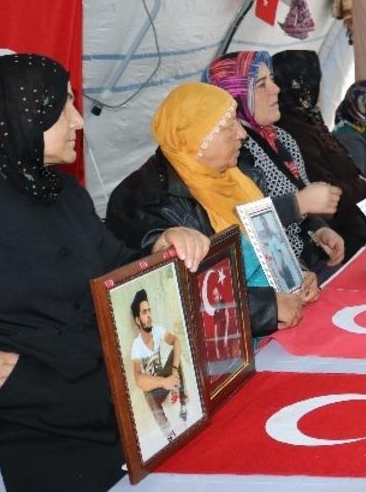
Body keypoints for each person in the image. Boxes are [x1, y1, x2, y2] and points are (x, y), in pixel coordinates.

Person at [0, 54, 209, 492]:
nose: (78, 121)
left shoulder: (61, 194)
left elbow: (113, 268)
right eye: (63, 107)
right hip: (15, 417)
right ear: (22, 111)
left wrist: (159, 246)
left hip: (92, 393)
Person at [107, 82, 315, 336]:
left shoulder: (239, 177)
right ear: (197, 137)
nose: (242, 134)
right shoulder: (143, 200)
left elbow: (268, 244)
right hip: (219, 350)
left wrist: (296, 274)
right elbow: (172, 296)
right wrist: (267, 309)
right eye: (229, 125)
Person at [206, 52, 346, 275]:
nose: (276, 88)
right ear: (234, 95)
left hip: (305, 263)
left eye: (272, 79)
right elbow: (236, 221)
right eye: (262, 84)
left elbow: (303, 200)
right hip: (275, 276)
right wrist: (299, 203)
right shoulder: (230, 151)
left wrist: (319, 229)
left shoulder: (281, 138)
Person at [272, 50, 366, 257]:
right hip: (336, 239)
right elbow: (321, 190)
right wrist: (363, 187)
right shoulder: (290, 130)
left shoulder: (309, 118)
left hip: (349, 229)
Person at [129, 289, 187, 444]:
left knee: (177, 355)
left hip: (165, 377)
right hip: (155, 386)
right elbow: (138, 379)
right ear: (137, 319)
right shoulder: (136, 346)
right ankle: (169, 434)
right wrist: (163, 382)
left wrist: (173, 371)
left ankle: (183, 407)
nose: (149, 316)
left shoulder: (158, 330)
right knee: (146, 392)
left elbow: (176, 341)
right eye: (144, 312)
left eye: (149, 311)